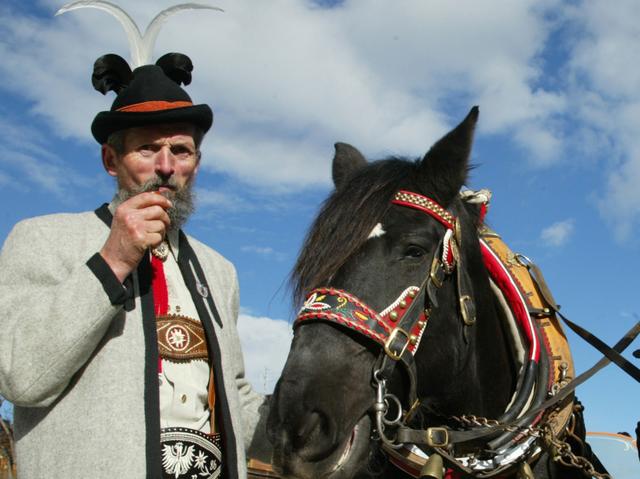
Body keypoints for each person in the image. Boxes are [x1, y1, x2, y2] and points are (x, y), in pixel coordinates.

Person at [0, 52, 270, 478]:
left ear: (195, 165)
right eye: (147, 148)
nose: (166, 167)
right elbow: (20, 376)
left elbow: (236, 396)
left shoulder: (220, 271)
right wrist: (114, 259)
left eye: (181, 150)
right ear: (112, 160)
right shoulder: (43, 238)